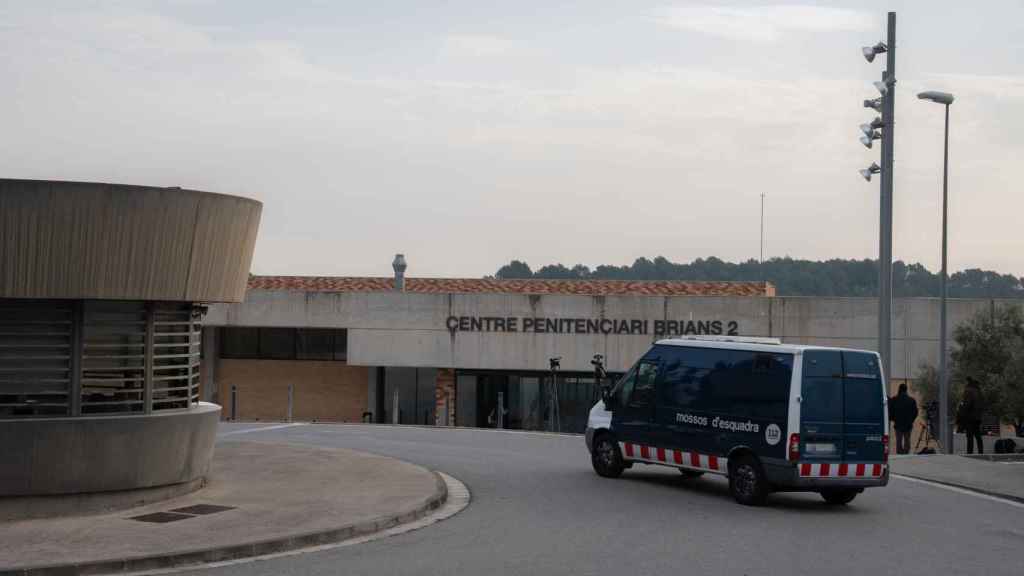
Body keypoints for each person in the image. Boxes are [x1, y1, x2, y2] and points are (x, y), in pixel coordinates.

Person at [888, 383, 918, 455]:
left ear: (899, 389)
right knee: (907, 441)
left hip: (898, 425)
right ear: (906, 390)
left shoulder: (894, 399)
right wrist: (911, 420)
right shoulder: (912, 400)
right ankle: (906, 454)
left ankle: (900, 455)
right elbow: (915, 412)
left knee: (899, 441)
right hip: (908, 425)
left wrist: (893, 419)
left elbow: (890, 411)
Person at [958, 377, 985, 454]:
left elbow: (967, 404)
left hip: (969, 417)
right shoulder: (978, 391)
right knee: (978, 435)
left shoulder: (968, 391)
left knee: (970, 436)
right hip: (978, 417)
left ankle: (970, 453)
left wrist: (961, 407)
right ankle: (981, 452)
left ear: (967, 382)